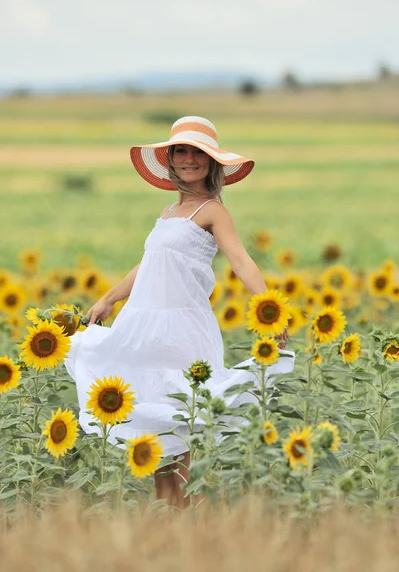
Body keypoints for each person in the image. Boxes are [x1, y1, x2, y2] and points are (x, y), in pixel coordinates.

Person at [64, 116, 294, 509]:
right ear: (170, 159)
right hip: (146, 328)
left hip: (184, 331)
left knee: (188, 434)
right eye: (181, 151)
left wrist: (270, 310)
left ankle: (196, 533)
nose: (189, 159)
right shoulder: (169, 210)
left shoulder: (212, 211)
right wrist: (109, 298)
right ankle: (167, 529)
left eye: (198, 153)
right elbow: (148, 265)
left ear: (212, 162)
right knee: (155, 438)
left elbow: (241, 261)